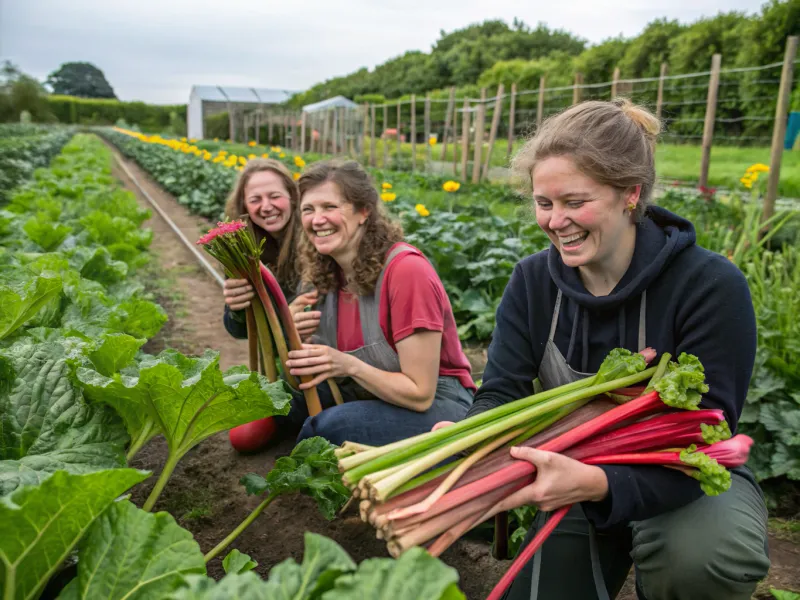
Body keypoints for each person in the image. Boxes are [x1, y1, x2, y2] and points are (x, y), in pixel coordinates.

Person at [441, 99, 770, 599]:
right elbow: (500, 391)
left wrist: (599, 483)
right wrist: (472, 437)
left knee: (704, 559)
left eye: (574, 202)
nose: (555, 221)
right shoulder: (532, 281)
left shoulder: (709, 285)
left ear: (629, 194)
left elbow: (706, 437)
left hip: (682, 481)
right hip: (568, 474)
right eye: (544, 203)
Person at [281, 159, 475, 446]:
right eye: (308, 210)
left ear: (364, 211)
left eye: (329, 207)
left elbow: (420, 394)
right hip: (368, 392)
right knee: (281, 404)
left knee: (327, 430)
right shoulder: (323, 273)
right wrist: (292, 335)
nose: (316, 219)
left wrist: (348, 365)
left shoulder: (406, 272)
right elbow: (312, 367)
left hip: (439, 404)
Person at [220, 158, 304, 339]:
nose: (266, 207)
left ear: (292, 196)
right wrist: (236, 310)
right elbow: (238, 332)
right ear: (244, 206)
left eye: (275, 196)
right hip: (277, 356)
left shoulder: (312, 239)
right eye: (255, 200)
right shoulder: (240, 246)